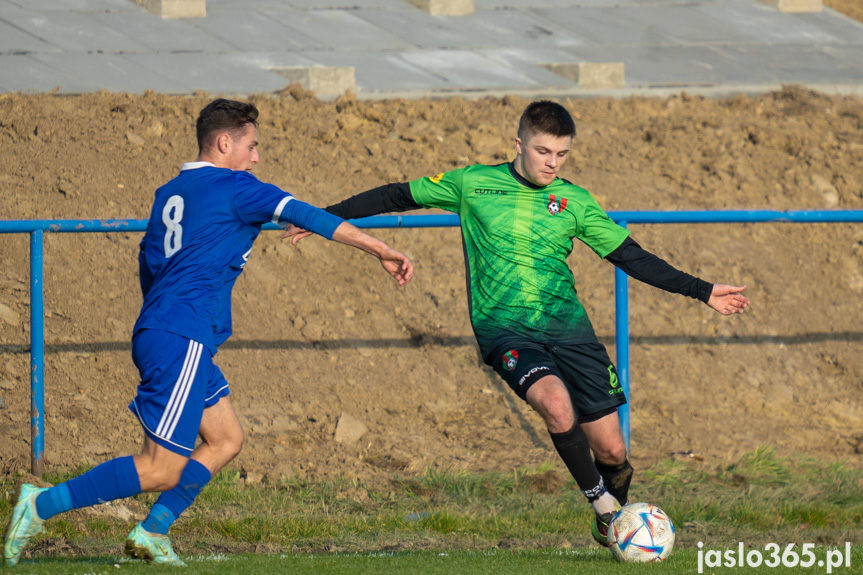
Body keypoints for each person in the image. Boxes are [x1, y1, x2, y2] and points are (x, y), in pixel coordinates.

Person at [285, 100, 749, 546]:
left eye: (562, 154)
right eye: (543, 151)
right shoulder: (472, 183)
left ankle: (615, 521)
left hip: (569, 331)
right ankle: (606, 510)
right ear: (520, 143)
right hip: (504, 329)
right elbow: (395, 195)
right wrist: (323, 217)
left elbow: (631, 257)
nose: (552, 164)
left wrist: (703, 290)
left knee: (613, 454)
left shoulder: (575, 201)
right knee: (556, 405)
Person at [4, 98, 413, 567]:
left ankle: (153, 531)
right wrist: (378, 247)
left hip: (170, 331)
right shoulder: (238, 187)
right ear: (224, 143)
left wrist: (168, 317)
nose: (257, 157)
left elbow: (149, 262)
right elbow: (311, 215)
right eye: (252, 145)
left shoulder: (170, 192)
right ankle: (39, 506)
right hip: (180, 337)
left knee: (225, 439)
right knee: (161, 468)